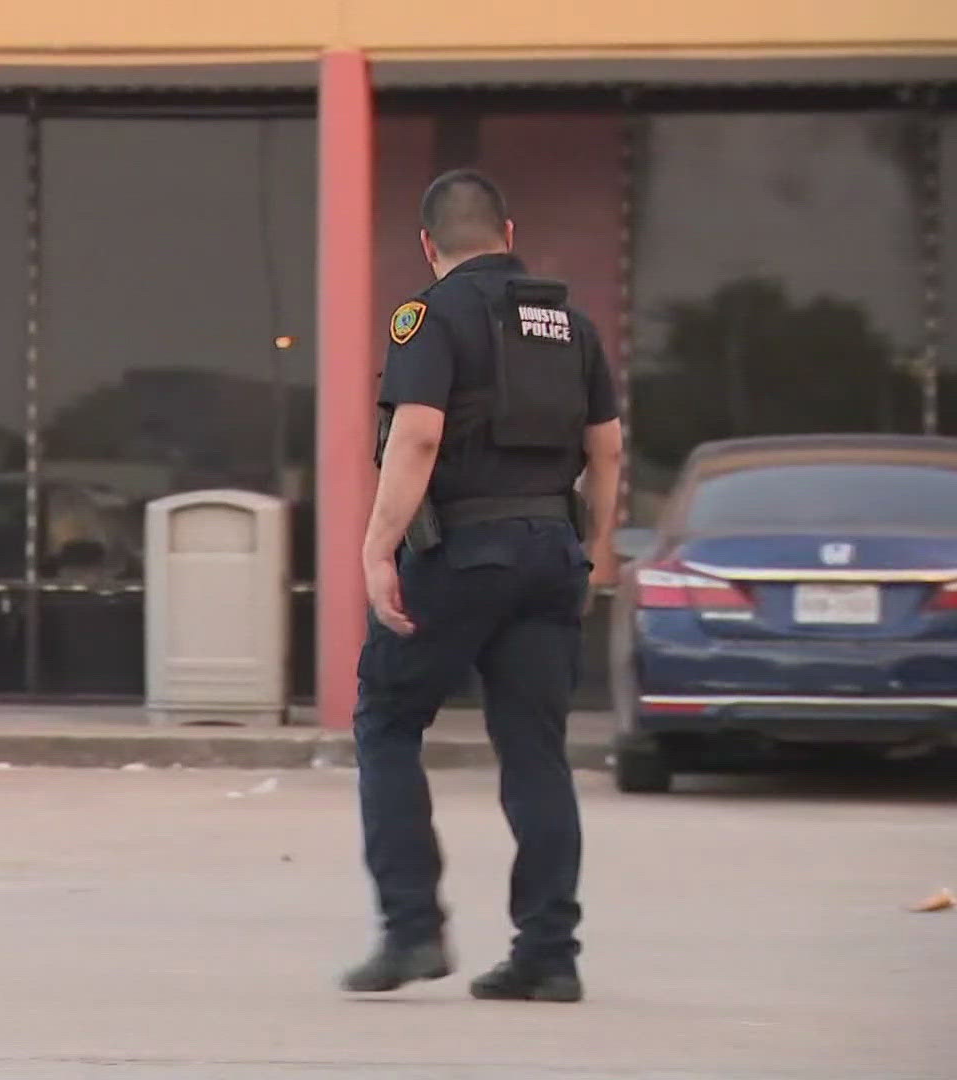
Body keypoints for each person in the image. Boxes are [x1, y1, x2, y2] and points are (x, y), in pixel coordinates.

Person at [339, 169, 623, 1004]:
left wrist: (376, 547)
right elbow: (606, 452)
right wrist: (594, 555)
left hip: (465, 552)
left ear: (431, 246)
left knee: (387, 720)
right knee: (536, 751)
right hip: (549, 556)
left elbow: (417, 437)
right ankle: (549, 954)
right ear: (509, 229)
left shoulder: (430, 315)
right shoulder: (571, 323)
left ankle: (412, 930)